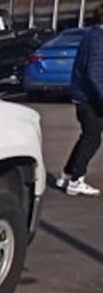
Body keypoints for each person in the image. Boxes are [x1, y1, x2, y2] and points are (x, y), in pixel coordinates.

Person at [61, 14, 103, 196]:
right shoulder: (98, 40)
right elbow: (95, 73)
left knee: (88, 137)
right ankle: (76, 180)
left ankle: (67, 174)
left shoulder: (92, 35)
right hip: (89, 99)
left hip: (85, 97)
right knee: (93, 139)